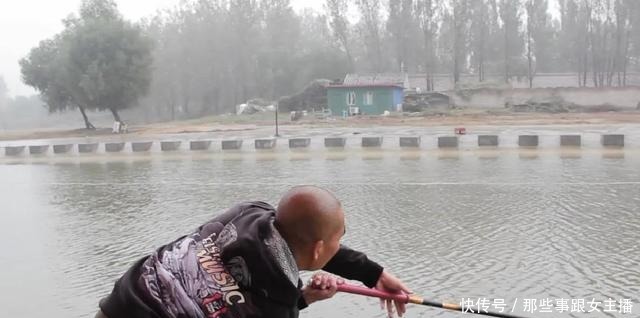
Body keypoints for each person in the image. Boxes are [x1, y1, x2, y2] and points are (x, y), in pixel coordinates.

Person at [96, 185, 411, 318]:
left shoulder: (248, 213)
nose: (338, 245)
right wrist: (296, 301)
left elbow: (297, 232)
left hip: (122, 302)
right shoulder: (275, 309)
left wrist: (374, 274)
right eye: (338, 238)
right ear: (318, 251)